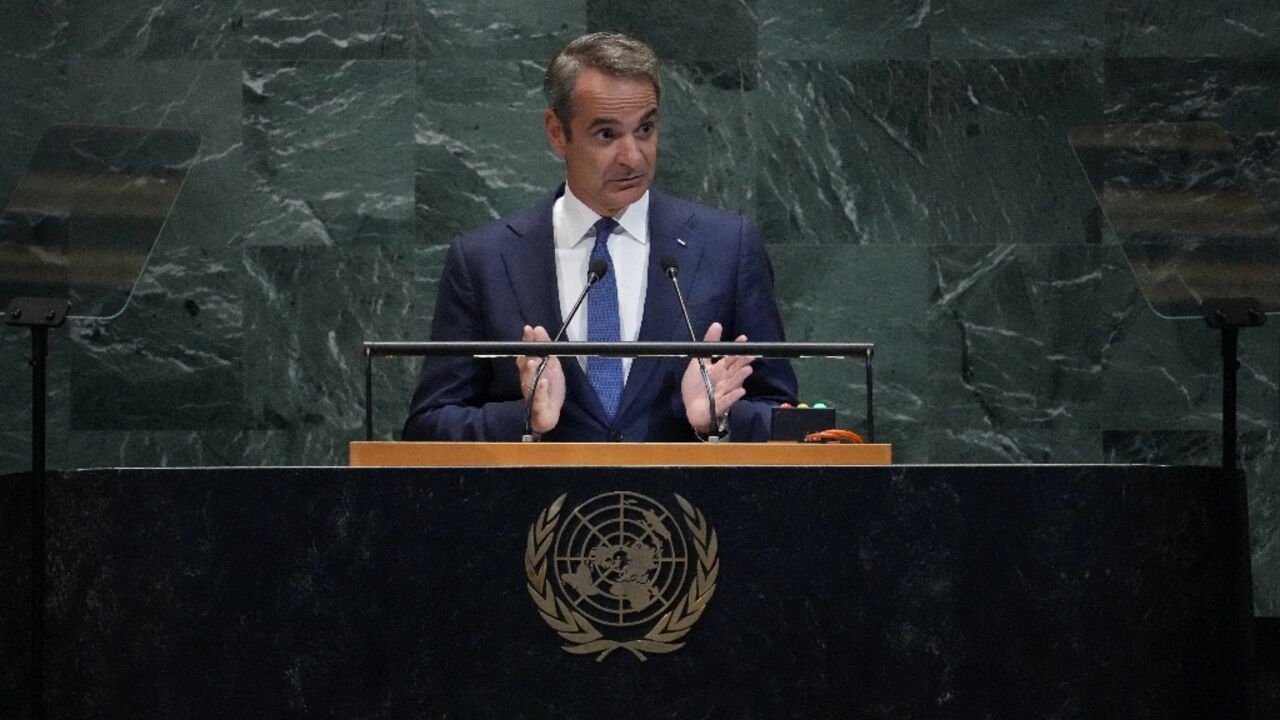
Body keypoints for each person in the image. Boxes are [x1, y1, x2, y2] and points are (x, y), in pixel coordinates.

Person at [403, 31, 797, 442]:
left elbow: (783, 415)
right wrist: (526, 418)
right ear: (557, 132)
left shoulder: (727, 247)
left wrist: (718, 421)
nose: (633, 156)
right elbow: (427, 428)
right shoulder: (485, 260)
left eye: (645, 128)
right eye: (607, 134)